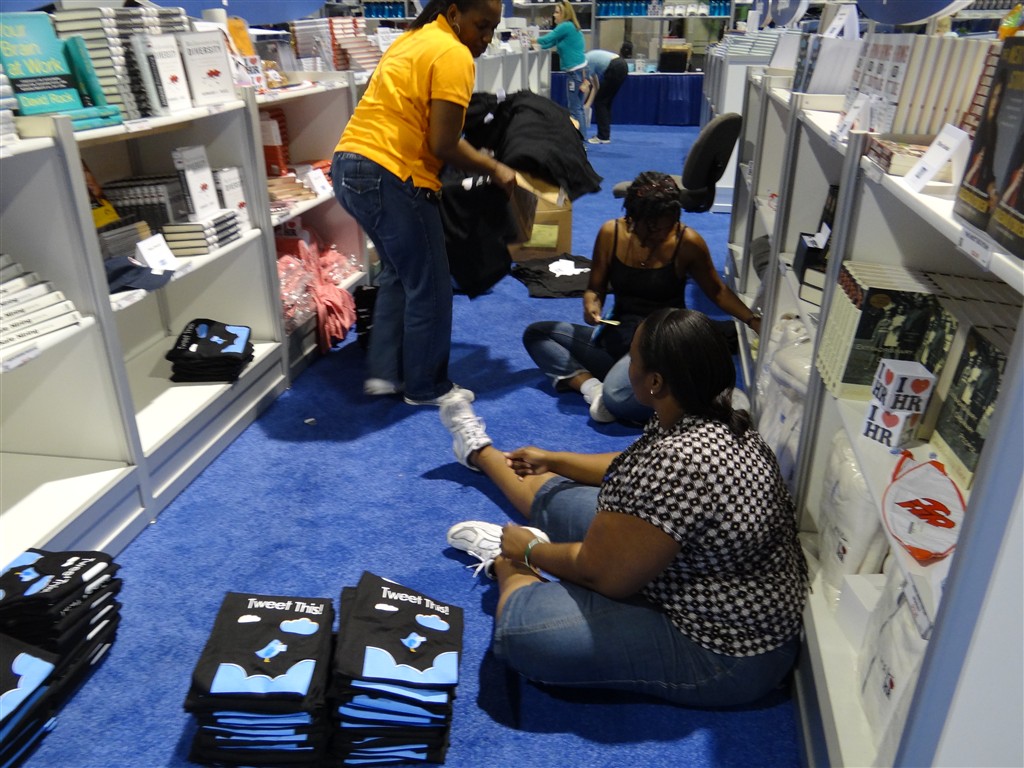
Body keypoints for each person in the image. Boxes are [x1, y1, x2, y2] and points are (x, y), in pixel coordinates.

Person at [439, 308, 809, 707]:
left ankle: (503, 560)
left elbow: (603, 575)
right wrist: (556, 460)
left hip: (726, 652)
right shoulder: (709, 416)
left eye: (632, 359)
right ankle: (478, 451)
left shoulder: (677, 462)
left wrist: (527, 550)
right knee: (559, 498)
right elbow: (630, 466)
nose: (626, 367)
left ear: (655, 381)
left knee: (520, 633)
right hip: (696, 576)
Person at [331, 0, 517, 407]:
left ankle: (386, 372)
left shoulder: (412, 39)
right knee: (431, 286)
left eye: (493, 28)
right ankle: (425, 386)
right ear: (454, 14)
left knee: (399, 273)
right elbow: (443, 144)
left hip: (348, 168)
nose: (486, 38)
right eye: (481, 25)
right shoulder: (453, 53)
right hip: (394, 175)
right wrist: (496, 168)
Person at [522, 171, 762, 424]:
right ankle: (593, 388)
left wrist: (752, 320)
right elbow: (595, 288)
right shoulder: (611, 233)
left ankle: (640, 392)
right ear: (633, 217)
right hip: (618, 335)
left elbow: (717, 291)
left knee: (617, 398)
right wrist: (592, 304)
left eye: (668, 226)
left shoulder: (688, 242)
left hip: (661, 347)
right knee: (537, 334)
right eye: (654, 227)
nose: (662, 233)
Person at [533, 0, 588, 138]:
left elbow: (547, 39)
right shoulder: (568, 28)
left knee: (574, 109)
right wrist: (534, 45)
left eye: (557, 12)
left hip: (575, 73)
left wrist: (529, 39)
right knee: (578, 108)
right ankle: (582, 139)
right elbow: (549, 43)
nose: (554, 15)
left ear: (565, 14)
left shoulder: (565, 26)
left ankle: (580, 141)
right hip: (579, 72)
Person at [583, 47, 629, 144]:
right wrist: (587, 105)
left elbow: (585, 88)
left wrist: (581, 105)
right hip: (622, 65)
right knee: (605, 102)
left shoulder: (585, 62)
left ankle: (603, 136)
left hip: (615, 67)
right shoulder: (590, 59)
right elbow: (596, 86)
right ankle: (605, 135)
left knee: (601, 102)